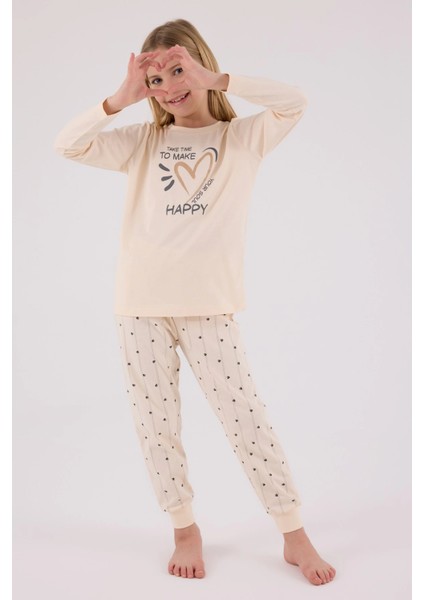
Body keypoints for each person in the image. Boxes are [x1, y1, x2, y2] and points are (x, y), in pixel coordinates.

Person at [54, 18, 336, 585]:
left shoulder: (242, 139)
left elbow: (295, 102)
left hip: (208, 307)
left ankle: (293, 533)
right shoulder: (142, 142)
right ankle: (184, 528)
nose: (169, 88)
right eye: (156, 80)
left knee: (245, 418)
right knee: (156, 424)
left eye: (177, 71)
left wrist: (218, 80)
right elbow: (68, 144)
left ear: (201, 65)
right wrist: (120, 99)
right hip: (140, 306)